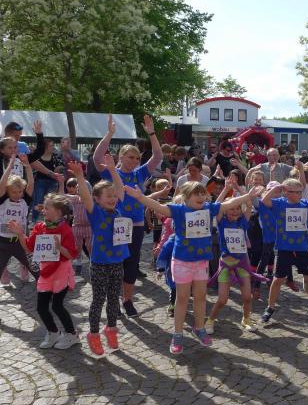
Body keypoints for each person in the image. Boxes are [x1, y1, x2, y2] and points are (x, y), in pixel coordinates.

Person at [125, 180, 259, 354]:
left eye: (203, 193)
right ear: (187, 197)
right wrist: (140, 197)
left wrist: (247, 196)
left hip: (201, 262)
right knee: (182, 299)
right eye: (197, 193)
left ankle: (199, 328)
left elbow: (229, 203)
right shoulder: (179, 210)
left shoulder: (208, 208)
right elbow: (159, 207)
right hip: (182, 261)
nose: (201, 196)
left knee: (201, 297)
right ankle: (178, 334)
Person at [93, 114, 163, 318]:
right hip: (115, 224)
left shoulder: (140, 173)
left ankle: (128, 300)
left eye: (137, 158)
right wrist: (110, 134)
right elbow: (97, 159)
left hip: (137, 224)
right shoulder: (110, 172)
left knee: (132, 263)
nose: (135, 160)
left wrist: (152, 133)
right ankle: (113, 300)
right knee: (115, 263)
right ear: (121, 157)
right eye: (130, 157)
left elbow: (157, 156)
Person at [69, 158, 128, 356]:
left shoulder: (118, 209)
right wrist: (79, 176)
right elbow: (86, 197)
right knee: (99, 300)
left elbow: (120, 189)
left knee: (114, 300)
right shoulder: (95, 213)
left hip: (117, 262)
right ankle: (93, 334)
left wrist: (112, 170)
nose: (113, 198)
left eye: (113, 196)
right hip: (100, 264)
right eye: (108, 196)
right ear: (98, 199)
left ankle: (111, 330)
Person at [9, 194, 79, 350]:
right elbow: (28, 247)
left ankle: (72, 334)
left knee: (57, 306)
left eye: (47, 208)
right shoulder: (40, 227)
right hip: (46, 271)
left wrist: (59, 247)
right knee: (41, 307)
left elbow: (71, 255)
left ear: (59, 212)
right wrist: (19, 233)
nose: (43, 210)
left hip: (61, 271)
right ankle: (53, 332)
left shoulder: (65, 229)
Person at [208, 174, 267, 333]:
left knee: (247, 297)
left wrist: (239, 188)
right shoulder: (221, 222)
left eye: (237, 209)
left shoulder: (243, 221)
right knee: (222, 299)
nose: (235, 211)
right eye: (231, 208)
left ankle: (246, 319)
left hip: (242, 262)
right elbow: (217, 206)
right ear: (225, 211)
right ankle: (210, 320)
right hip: (226, 263)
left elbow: (248, 204)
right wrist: (226, 189)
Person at [0, 155, 36, 314]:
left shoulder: (25, 200)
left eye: (20, 191)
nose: (18, 194)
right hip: (4, 243)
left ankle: (48, 292)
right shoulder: (2, 200)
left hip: (20, 242)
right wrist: (11, 164)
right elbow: (2, 183)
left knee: (34, 267)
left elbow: (31, 184)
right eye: (14, 192)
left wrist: (27, 166)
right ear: (8, 191)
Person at [260, 176, 308, 325]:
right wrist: (275, 188)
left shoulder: (305, 204)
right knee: (278, 279)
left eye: (301, 192)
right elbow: (264, 201)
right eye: (296, 192)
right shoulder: (280, 203)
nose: (299, 195)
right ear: (286, 192)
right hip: (284, 248)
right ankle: (270, 307)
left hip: (302, 248)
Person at [31, 139, 64, 222]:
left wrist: (59, 169)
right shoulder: (37, 156)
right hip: (39, 181)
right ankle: (34, 220)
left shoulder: (55, 156)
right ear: (45, 147)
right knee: (38, 201)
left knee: (50, 202)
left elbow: (61, 166)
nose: (53, 147)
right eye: (51, 146)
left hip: (52, 182)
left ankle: (48, 220)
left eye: (53, 145)